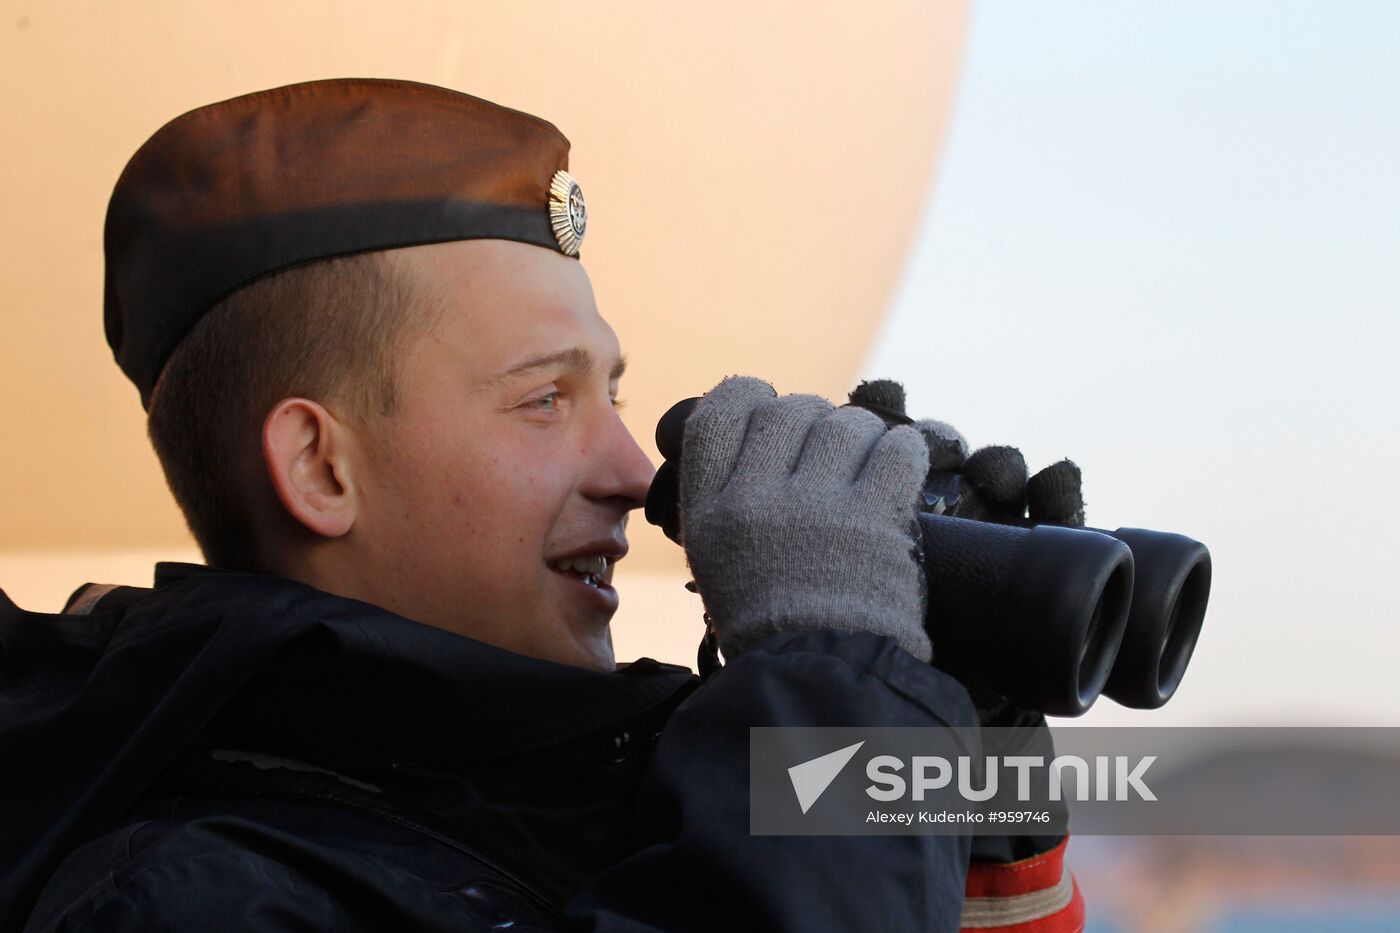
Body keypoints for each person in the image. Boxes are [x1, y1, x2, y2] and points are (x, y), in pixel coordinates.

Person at [0, 78, 1083, 931]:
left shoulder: (559, 802)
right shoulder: (193, 896)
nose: (627, 469)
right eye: (543, 398)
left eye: (608, 393)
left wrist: (955, 758)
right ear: (320, 468)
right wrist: (832, 686)